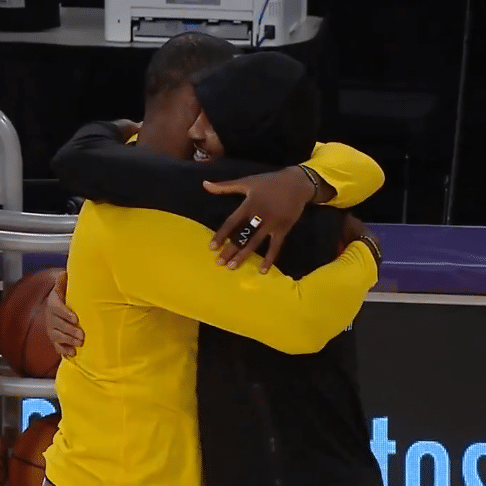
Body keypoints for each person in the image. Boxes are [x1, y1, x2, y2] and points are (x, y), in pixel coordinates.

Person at [44, 36, 384, 486]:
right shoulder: (140, 221)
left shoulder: (133, 162)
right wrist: (367, 253)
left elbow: (354, 163)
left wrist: (304, 179)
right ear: (195, 105)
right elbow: (299, 320)